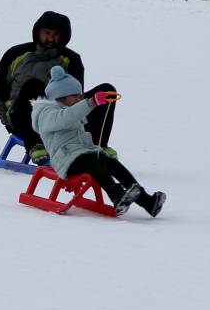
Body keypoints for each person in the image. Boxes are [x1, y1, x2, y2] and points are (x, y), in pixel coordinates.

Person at [32, 66, 166, 217]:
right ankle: (116, 195)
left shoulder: (70, 109)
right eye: (75, 96)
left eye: (79, 96)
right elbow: (65, 119)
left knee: (110, 162)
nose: (79, 99)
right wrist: (90, 103)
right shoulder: (46, 113)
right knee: (95, 163)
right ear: (61, 96)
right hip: (65, 160)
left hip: (80, 154)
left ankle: (147, 202)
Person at [0, 11, 116, 164]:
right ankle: (36, 145)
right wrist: (9, 124)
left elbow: (76, 98)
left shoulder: (71, 59)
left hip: (62, 120)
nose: (50, 38)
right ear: (38, 32)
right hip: (24, 118)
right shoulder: (16, 54)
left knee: (107, 91)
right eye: (47, 33)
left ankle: (97, 144)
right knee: (33, 85)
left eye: (55, 34)